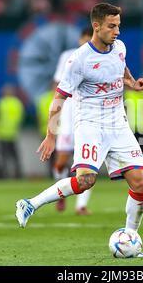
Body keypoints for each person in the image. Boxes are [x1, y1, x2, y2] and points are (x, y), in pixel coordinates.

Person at [15, 3, 143, 235]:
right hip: (90, 126)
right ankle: (30, 204)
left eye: (118, 25)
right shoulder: (79, 60)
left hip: (118, 123)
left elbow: (121, 68)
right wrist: (50, 136)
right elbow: (58, 98)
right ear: (96, 26)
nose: (117, 31)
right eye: (111, 26)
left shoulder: (119, 47)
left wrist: (131, 82)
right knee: (86, 181)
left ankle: (131, 237)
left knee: (140, 182)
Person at [52, 26, 94, 215]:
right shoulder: (68, 56)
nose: (87, 42)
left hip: (88, 117)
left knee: (87, 165)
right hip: (69, 116)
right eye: (85, 38)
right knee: (61, 162)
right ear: (80, 39)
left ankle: (81, 205)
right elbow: (58, 84)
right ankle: (60, 194)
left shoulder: (99, 57)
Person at [0, 84, 24, 179]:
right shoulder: (16, 103)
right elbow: (20, 117)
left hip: (4, 133)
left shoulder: (0, 103)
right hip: (8, 133)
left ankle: (8, 175)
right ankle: (15, 174)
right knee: (12, 157)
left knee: (6, 157)